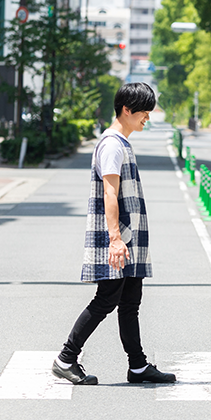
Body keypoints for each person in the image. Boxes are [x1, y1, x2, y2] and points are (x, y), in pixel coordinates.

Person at [52, 82, 176, 385]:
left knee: (130, 302)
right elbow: (110, 193)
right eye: (144, 112)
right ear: (126, 110)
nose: (148, 117)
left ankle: (138, 366)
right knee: (106, 299)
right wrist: (115, 239)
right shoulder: (111, 145)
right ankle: (66, 358)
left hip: (129, 238)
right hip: (119, 238)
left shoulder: (122, 143)